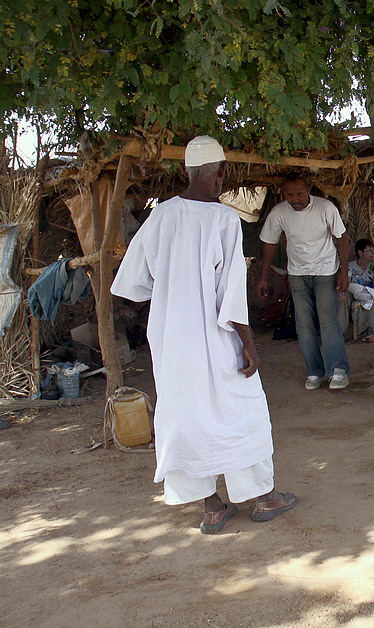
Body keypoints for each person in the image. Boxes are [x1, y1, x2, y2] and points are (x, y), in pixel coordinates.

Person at [111, 136, 297, 535]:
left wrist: (173, 298)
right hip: (215, 336)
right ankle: (263, 497)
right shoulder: (223, 219)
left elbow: (133, 284)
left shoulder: (160, 216)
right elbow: (229, 295)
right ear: (222, 173)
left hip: (171, 339)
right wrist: (249, 345)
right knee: (241, 408)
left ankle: (212, 507)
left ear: (186, 171)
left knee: (185, 413)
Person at [256, 173, 351, 390]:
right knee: (303, 323)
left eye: (299, 193)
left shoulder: (325, 208)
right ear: (284, 194)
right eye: (290, 195)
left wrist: (343, 272)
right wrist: (263, 277)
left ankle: (337, 371)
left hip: (325, 271)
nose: (295, 199)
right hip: (297, 273)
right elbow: (269, 243)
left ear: (308, 189)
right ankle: (314, 372)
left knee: (328, 320)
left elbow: (342, 237)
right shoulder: (279, 213)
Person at [338, 238, 374, 343]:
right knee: (343, 297)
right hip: (353, 292)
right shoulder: (351, 265)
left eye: (373, 250)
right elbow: (347, 280)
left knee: (373, 300)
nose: (372, 253)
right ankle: (339, 332)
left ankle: (370, 331)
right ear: (360, 253)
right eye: (369, 251)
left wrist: (368, 285)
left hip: (369, 292)